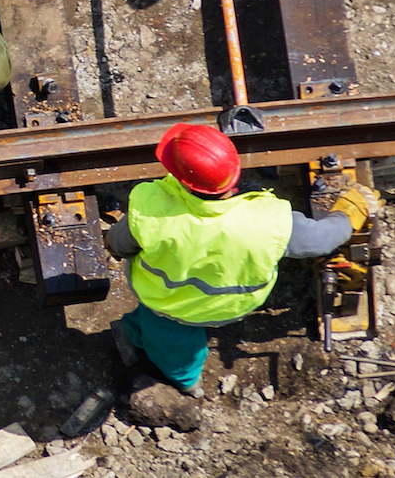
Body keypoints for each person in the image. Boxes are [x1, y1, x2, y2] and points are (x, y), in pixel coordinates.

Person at [106, 123, 379, 396]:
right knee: (167, 330)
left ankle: (186, 381)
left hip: (165, 304)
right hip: (232, 307)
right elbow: (322, 239)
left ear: (181, 180)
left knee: (173, 346)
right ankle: (140, 336)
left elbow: (119, 245)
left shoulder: (152, 210)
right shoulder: (268, 220)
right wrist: (349, 212)